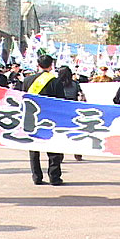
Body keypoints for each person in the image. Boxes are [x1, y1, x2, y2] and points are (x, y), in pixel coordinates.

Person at [22, 55, 66, 185]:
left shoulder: (27, 80)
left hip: (32, 117)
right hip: (50, 118)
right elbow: (61, 101)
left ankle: (36, 176)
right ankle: (54, 177)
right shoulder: (55, 81)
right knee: (53, 147)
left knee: (34, 148)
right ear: (51, 66)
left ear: (38, 65)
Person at [58, 65, 85, 161]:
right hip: (73, 108)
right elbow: (81, 95)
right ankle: (77, 153)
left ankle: (59, 155)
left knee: (59, 133)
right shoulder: (75, 84)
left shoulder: (56, 83)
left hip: (60, 109)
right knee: (75, 132)